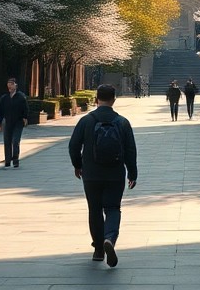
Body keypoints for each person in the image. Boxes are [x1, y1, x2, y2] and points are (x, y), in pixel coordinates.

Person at [68, 84, 137, 267]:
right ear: (114, 99)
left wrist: (78, 165)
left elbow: (73, 146)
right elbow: (130, 150)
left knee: (95, 209)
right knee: (113, 208)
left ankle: (98, 249)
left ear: (96, 99)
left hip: (91, 173)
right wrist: (132, 172)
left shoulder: (86, 121)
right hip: (115, 174)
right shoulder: (122, 122)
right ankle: (109, 239)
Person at [0, 77, 29, 168]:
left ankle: (15, 160)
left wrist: (25, 118)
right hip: (8, 122)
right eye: (8, 84)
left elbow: (25, 109)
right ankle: (7, 161)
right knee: (7, 141)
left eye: (11, 84)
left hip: (18, 122)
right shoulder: (4, 98)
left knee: (15, 141)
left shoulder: (21, 97)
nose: (9, 86)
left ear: (15, 85)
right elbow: (0, 111)